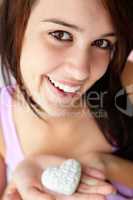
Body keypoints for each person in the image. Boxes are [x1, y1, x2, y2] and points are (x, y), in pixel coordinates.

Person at [0, 0, 133, 199]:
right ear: (16, 26)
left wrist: (105, 165)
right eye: (61, 35)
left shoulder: (126, 87)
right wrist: (17, 188)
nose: (81, 72)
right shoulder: (3, 122)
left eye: (102, 43)